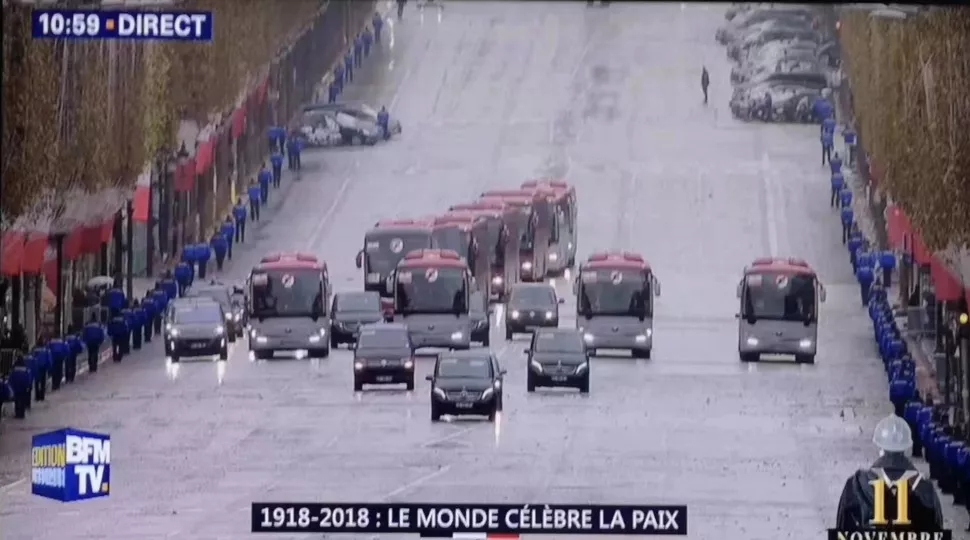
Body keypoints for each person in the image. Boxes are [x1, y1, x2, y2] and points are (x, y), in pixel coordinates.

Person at [836, 415, 944, 530]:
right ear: (906, 448)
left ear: (880, 449)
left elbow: (841, 527)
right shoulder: (925, 490)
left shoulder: (856, 485)